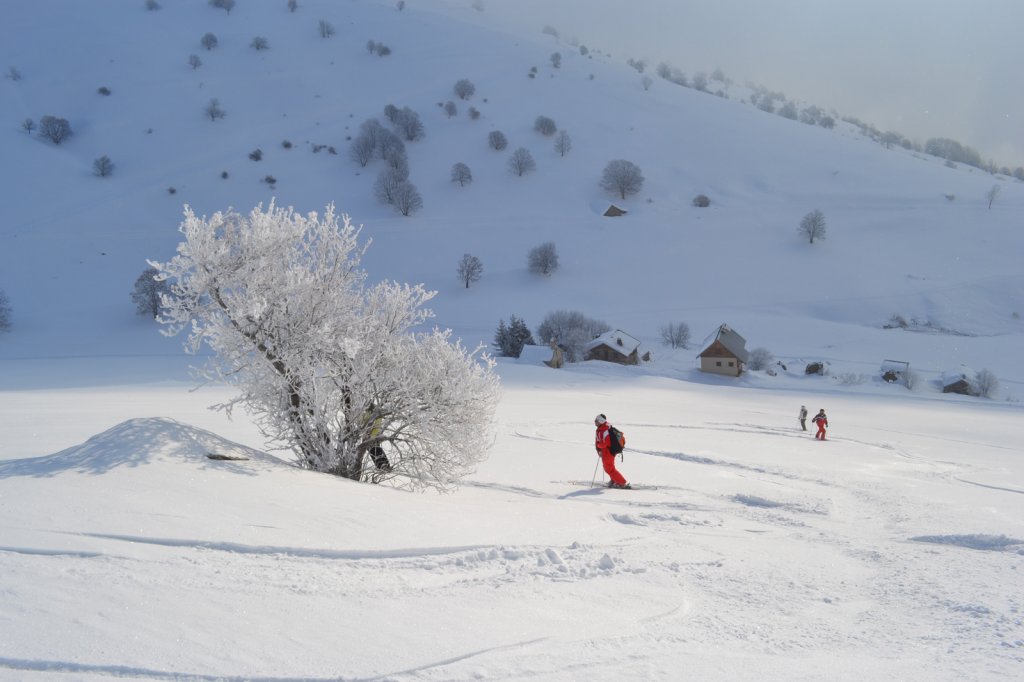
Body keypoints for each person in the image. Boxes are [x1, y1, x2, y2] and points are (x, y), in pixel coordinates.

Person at [595, 414, 630, 489]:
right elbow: (599, 441)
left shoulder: (604, 431)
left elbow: (606, 443)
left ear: (601, 421)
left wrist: (599, 446)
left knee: (609, 468)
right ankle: (614, 480)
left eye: (596, 420)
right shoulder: (601, 429)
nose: (595, 422)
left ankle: (621, 482)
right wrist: (599, 449)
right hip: (606, 451)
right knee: (609, 467)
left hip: (608, 451)